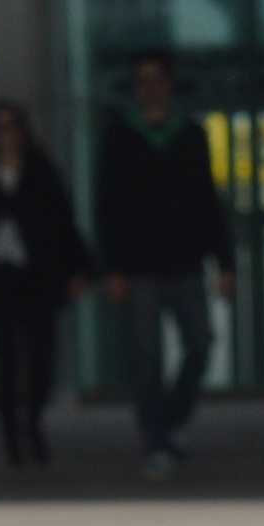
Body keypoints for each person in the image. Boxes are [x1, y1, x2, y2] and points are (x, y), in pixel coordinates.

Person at [93, 48, 233, 479]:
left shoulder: (191, 134)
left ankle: (169, 420)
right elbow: (108, 206)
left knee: (201, 345)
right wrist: (113, 269)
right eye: (143, 80)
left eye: (157, 79)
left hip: (186, 263)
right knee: (146, 359)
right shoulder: (119, 136)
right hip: (139, 268)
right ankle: (156, 441)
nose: (151, 87)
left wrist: (224, 263)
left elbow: (208, 202)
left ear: (170, 84)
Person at [0, 98, 88, 466]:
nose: (6, 135)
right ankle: (11, 435)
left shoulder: (42, 173)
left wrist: (78, 268)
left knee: (41, 361)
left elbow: (63, 224)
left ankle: (33, 423)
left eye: (12, 127)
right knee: (6, 362)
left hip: (37, 277)